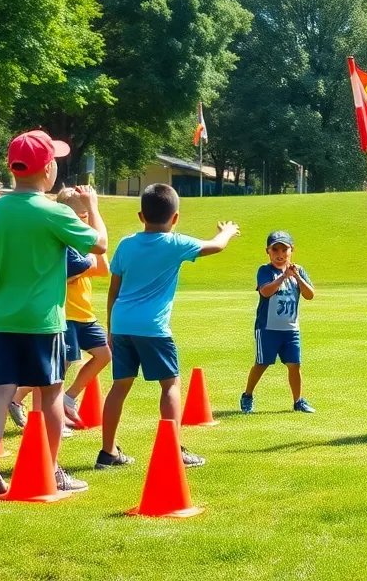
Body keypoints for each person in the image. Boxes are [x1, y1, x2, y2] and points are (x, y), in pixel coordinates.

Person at [0, 130, 108, 499]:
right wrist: (94, 210)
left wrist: (8, 262)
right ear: (47, 169)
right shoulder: (53, 212)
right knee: (52, 392)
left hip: (0, 320)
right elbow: (100, 245)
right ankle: (51, 469)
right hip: (43, 321)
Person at [98, 184, 239, 469]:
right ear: (175, 218)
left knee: (120, 386)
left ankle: (108, 452)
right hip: (153, 327)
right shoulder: (175, 244)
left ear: (141, 215)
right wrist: (228, 231)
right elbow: (217, 246)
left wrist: (111, 328)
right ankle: (172, 449)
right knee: (170, 384)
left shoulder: (126, 244)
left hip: (122, 323)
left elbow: (114, 290)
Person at [54, 187, 113, 428]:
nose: (85, 220)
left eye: (87, 216)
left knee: (104, 355)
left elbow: (103, 267)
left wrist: (92, 214)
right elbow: (96, 267)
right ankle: (16, 400)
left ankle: (68, 398)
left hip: (83, 314)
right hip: (66, 315)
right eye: (82, 215)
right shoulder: (66, 241)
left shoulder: (81, 240)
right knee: (60, 367)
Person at [241, 230, 316, 414]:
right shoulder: (265, 271)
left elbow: (310, 295)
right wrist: (283, 277)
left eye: (284, 250)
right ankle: (247, 395)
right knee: (262, 363)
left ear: (291, 250)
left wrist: (297, 277)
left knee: (294, 364)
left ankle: (298, 401)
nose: (280, 255)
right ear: (268, 251)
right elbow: (265, 292)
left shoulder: (299, 270)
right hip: (268, 328)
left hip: (291, 329)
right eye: (275, 250)